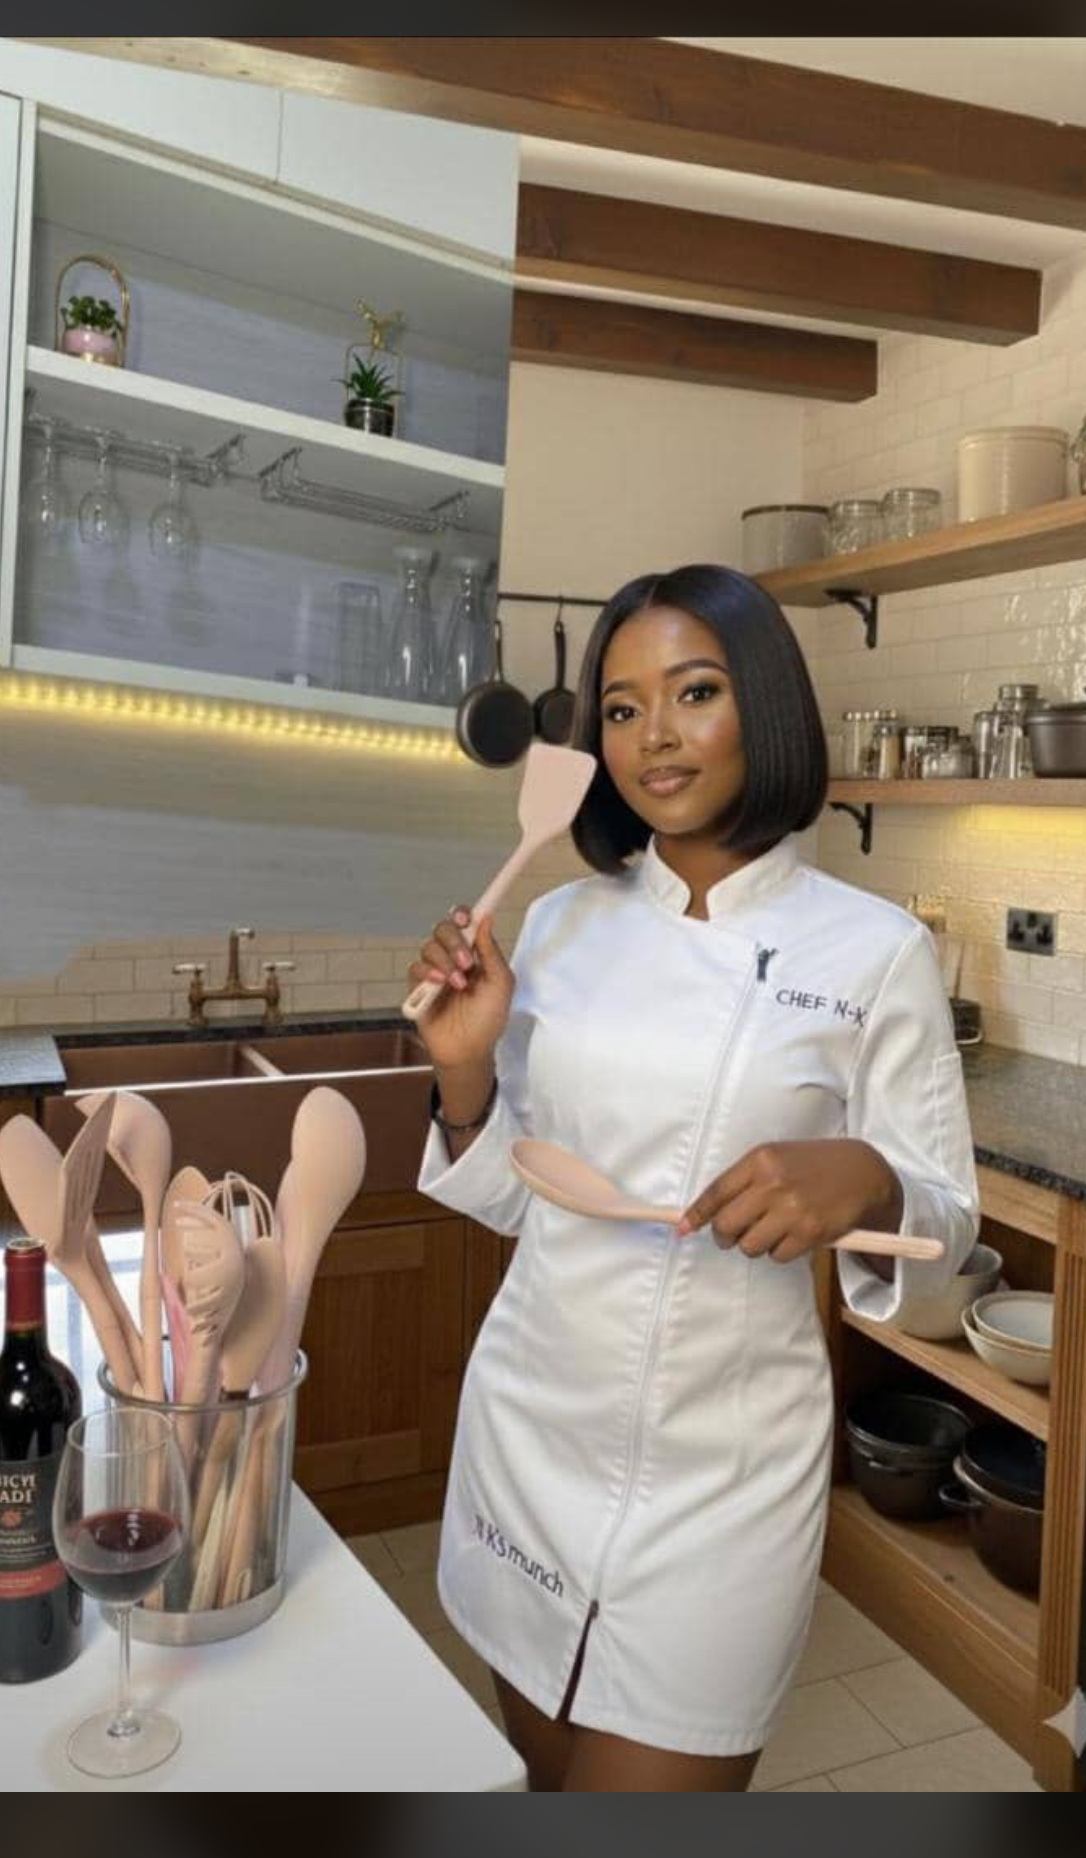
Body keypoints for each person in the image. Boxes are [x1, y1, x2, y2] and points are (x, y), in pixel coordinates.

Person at [408, 563, 978, 1793]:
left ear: (763, 703)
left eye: (695, 692)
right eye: (621, 709)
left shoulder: (877, 953)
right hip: (532, 1426)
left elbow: (944, 1236)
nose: (654, 735)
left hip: (728, 1474)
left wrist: (872, 1182)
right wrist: (462, 1075)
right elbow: (515, 1194)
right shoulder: (560, 926)